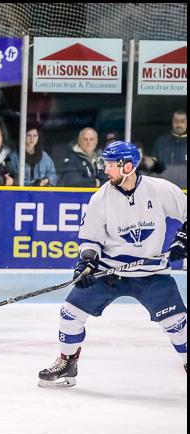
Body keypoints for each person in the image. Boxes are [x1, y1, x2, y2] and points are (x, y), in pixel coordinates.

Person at [38, 141, 187, 388]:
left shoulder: (160, 190)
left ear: (128, 166)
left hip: (152, 274)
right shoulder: (101, 198)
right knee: (70, 314)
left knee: (178, 324)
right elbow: (90, 239)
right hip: (109, 272)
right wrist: (87, 262)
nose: (105, 170)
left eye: (110, 165)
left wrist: (183, 239)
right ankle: (67, 362)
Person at [152, 110, 187, 188]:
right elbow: (153, 167)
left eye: (182, 121)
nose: (179, 124)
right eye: (176, 121)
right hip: (164, 189)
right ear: (172, 122)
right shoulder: (161, 142)